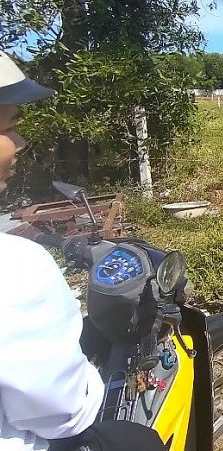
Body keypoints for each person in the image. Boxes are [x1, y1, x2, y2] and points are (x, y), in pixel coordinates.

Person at [0, 52, 163, 451]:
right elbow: (66, 412)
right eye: (8, 125)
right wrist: (90, 380)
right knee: (142, 443)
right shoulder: (16, 268)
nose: (19, 143)